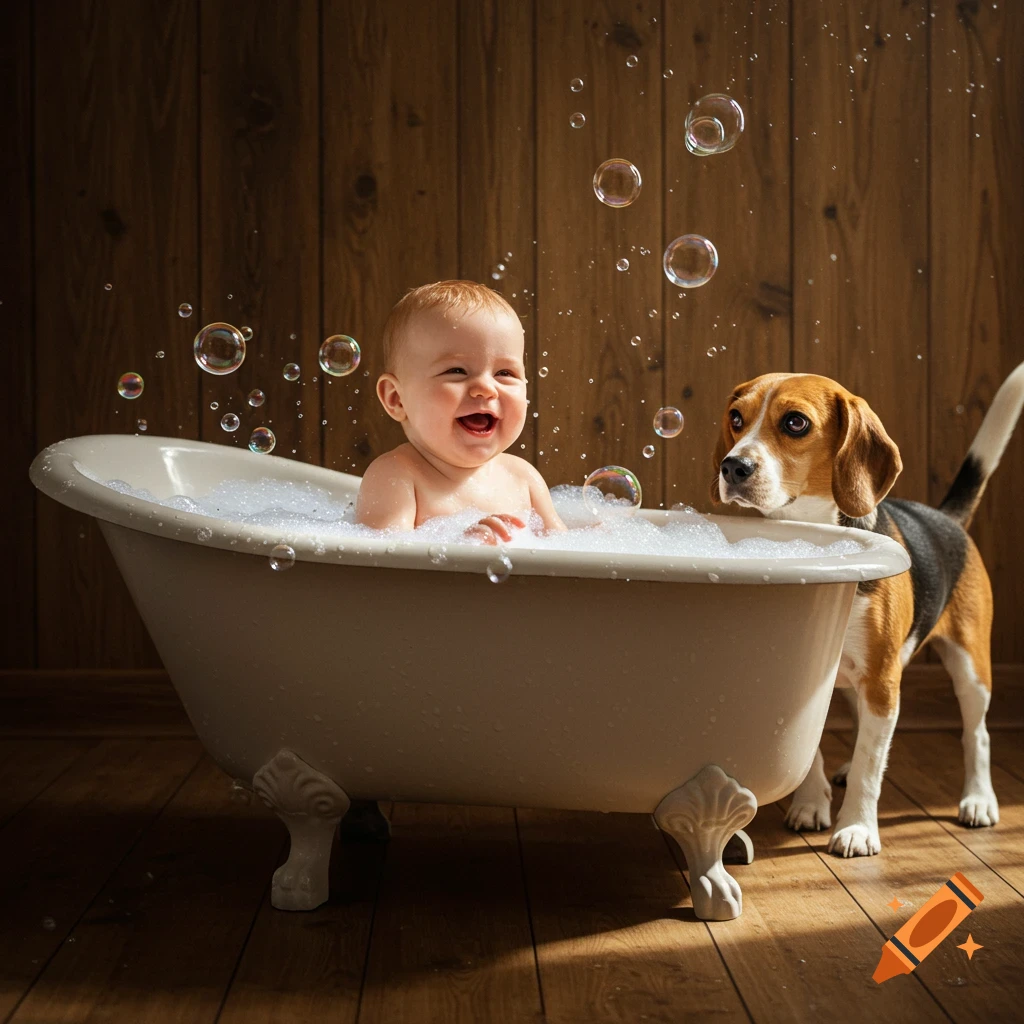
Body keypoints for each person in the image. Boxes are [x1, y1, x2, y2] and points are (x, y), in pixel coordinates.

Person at [354, 280, 567, 545]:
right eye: (456, 371)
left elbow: (564, 551)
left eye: (505, 373)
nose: (486, 388)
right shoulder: (396, 476)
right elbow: (383, 570)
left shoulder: (523, 477)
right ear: (397, 399)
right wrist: (460, 546)